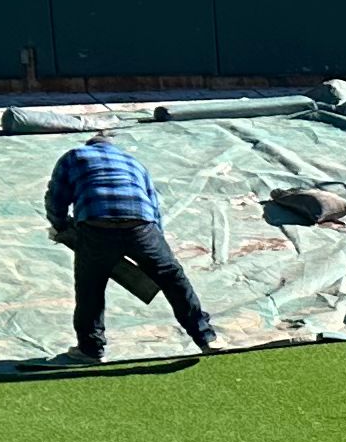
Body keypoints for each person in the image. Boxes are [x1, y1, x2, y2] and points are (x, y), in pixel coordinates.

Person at [42, 131, 218, 365]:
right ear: (112, 148)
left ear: (90, 145)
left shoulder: (74, 156)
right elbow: (154, 209)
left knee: (90, 287)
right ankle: (206, 337)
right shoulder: (134, 163)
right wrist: (158, 247)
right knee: (172, 277)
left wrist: (61, 226)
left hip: (96, 225)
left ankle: (90, 349)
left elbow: (57, 197)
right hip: (141, 226)